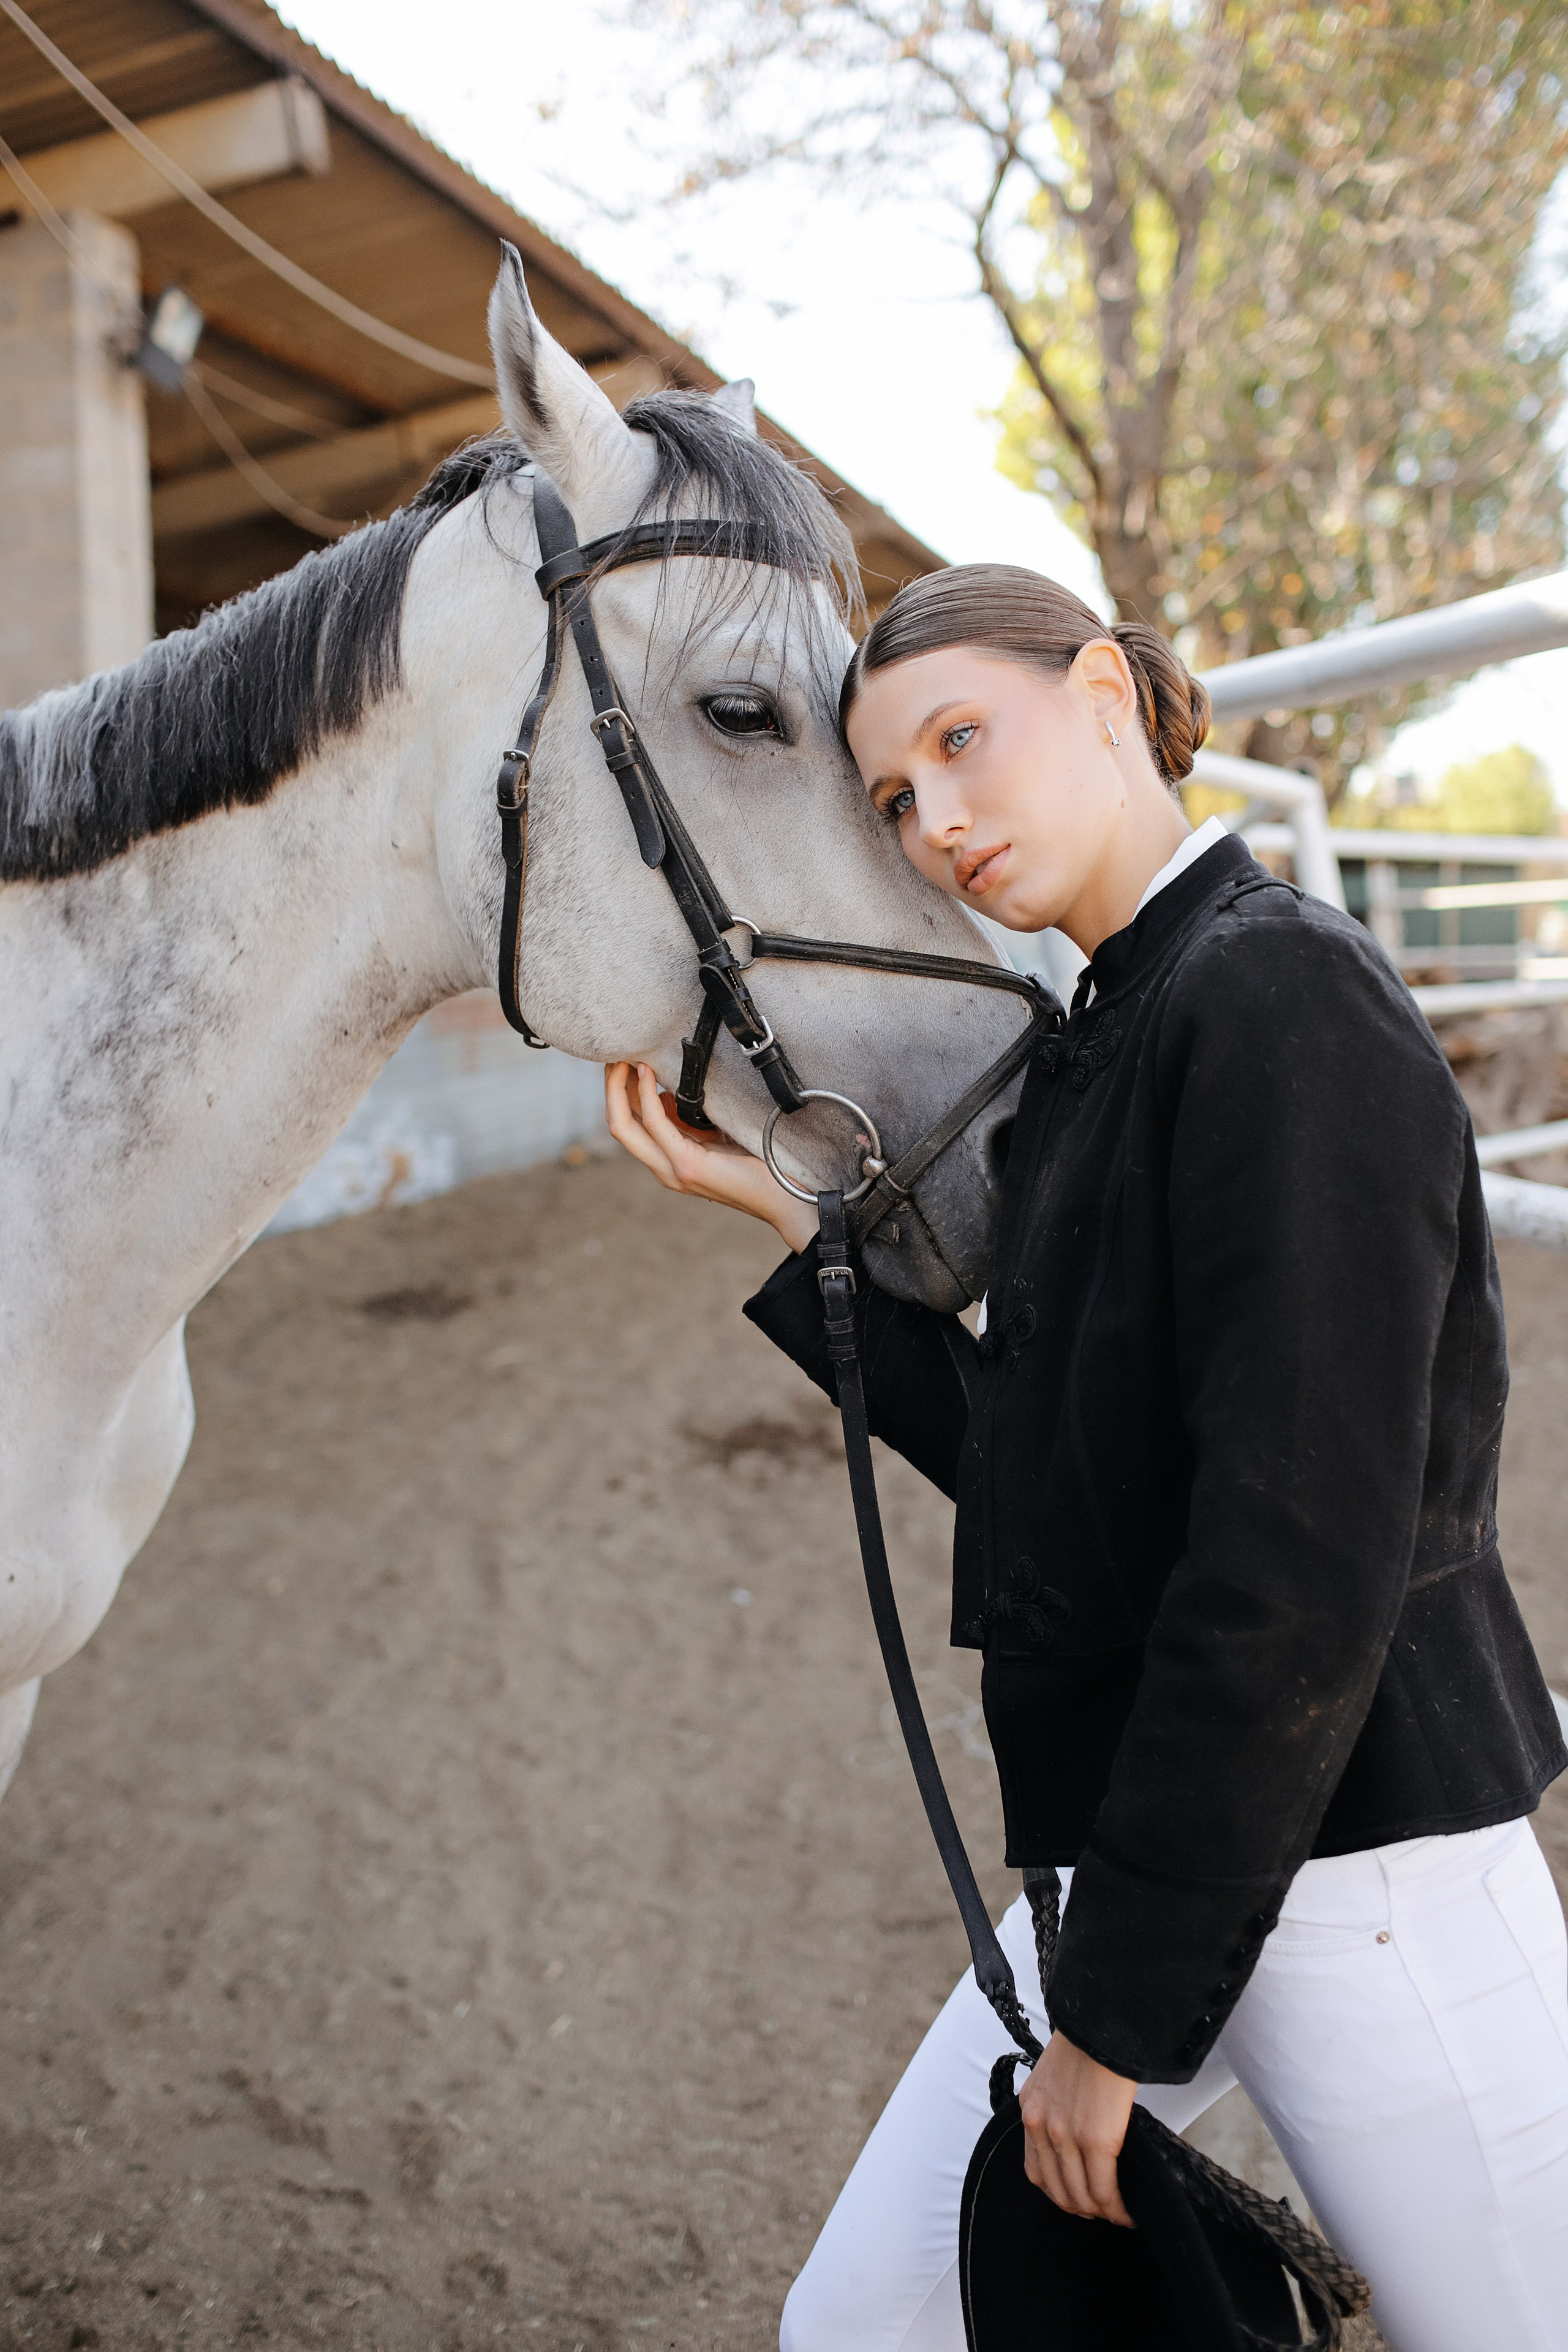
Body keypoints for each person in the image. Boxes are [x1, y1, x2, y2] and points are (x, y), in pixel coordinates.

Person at [603, 564, 1568, 2352]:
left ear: (1112, 695)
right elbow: (1077, 1499)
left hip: (1367, 1890)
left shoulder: (1284, 1003)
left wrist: (1111, 2027)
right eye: (894, 797)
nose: (936, 821)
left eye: (963, 741)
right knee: (867, 2323)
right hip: (1144, 1852)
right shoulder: (1104, 1041)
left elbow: (1292, 1570)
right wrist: (789, 1215)